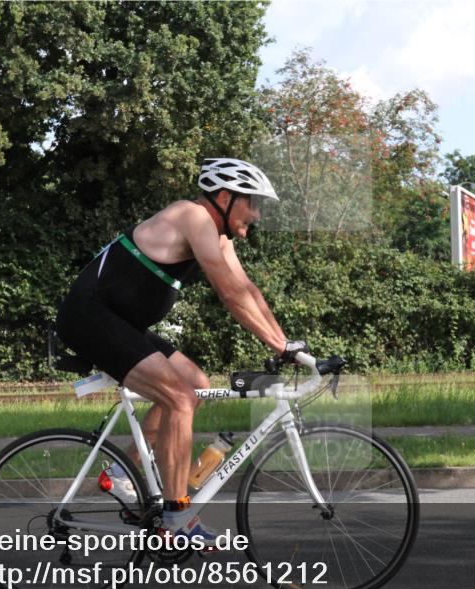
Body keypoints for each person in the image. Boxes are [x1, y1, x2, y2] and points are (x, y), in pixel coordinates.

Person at [55, 158, 307, 545]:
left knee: (195, 383)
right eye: (252, 202)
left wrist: (288, 343)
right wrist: (278, 345)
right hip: (90, 315)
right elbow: (229, 294)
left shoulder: (218, 234)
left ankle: (123, 475)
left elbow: (248, 290)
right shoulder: (193, 216)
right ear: (224, 197)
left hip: (119, 322)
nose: (256, 214)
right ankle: (175, 516)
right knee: (180, 399)